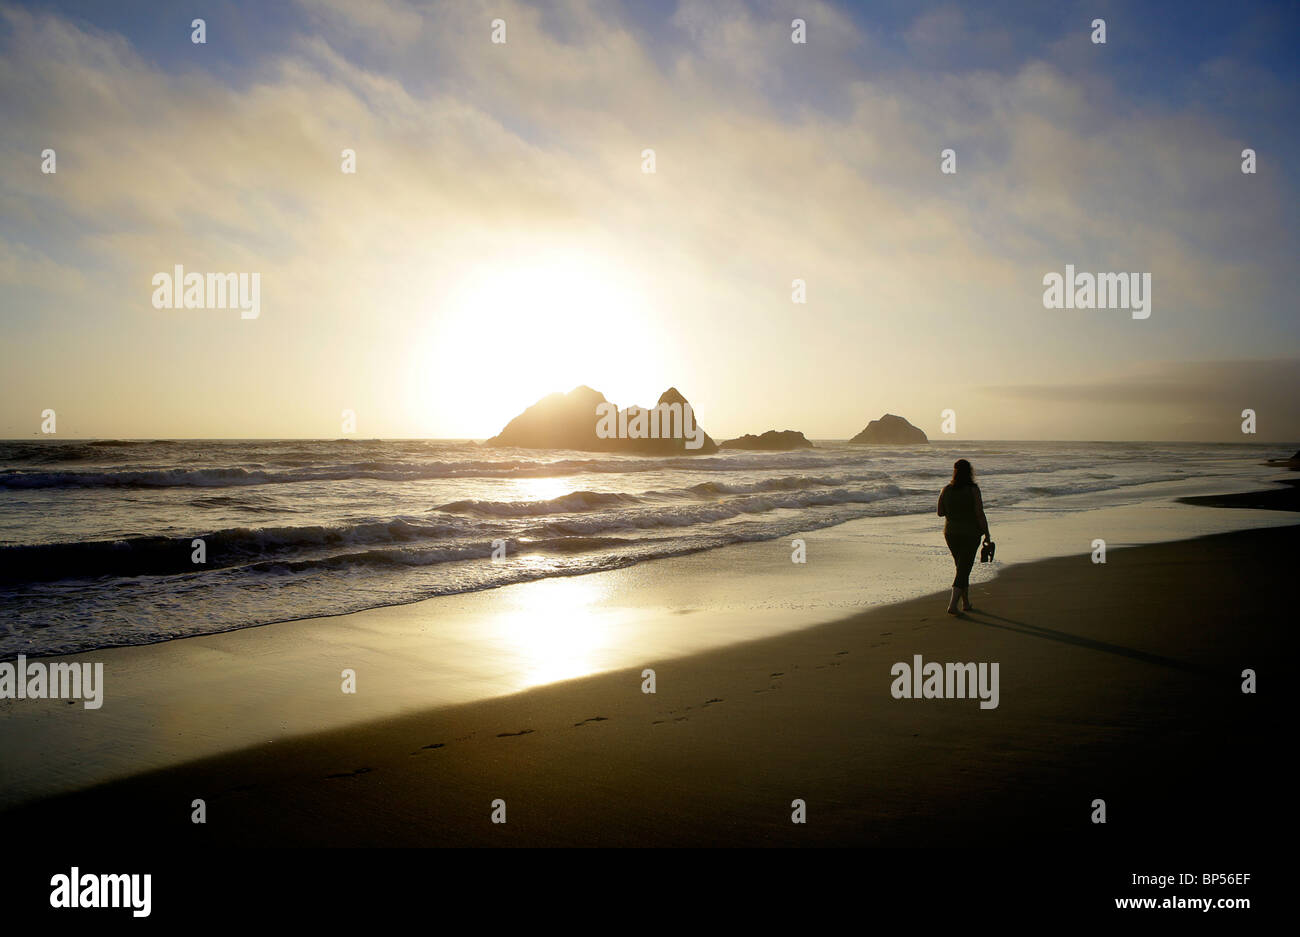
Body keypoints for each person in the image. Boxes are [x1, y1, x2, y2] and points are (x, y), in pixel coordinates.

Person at [936, 458, 990, 615]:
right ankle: (953, 605)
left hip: (950, 533)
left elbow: (940, 512)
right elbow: (980, 514)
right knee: (964, 568)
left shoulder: (945, 489)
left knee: (961, 567)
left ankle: (965, 603)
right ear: (970, 472)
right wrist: (987, 534)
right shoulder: (973, 490)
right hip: (970, 533)